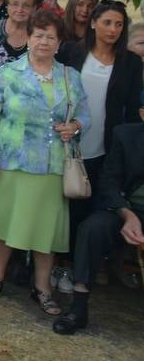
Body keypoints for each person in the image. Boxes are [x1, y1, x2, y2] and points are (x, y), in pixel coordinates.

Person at [0, 10, 86, 316]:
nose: (44, 42)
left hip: (51, 167)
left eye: (51, 36)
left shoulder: (70, 77)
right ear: (28, 38)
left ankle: (43, 288)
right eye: (38, 35)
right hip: (12, 162)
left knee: (44, 231)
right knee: (4, 224)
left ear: (60, 42)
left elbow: (85, 115)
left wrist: (74, 125)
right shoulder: (8, 74)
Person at [56, 1, 144, 241]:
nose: (113, 30)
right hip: (64, 142)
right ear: (93, 23)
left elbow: (133, 109)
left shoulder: (131, 63)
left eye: (118, 24)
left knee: (88, 205)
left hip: (104, 146)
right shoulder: (71, 52)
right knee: (58, 205)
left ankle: (76, 263)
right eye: (107, 23)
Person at [52, 121, 144, 334]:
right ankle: (78, 307)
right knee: (93, 228)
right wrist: (126, 214)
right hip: (129, 210)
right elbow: (108, 182)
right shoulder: (125, 134)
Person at [0, 0, 37, 67]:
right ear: (7, 6)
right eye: (15, 4)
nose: (20, 9)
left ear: (34, 8)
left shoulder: (39, 34)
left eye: (26, 5)